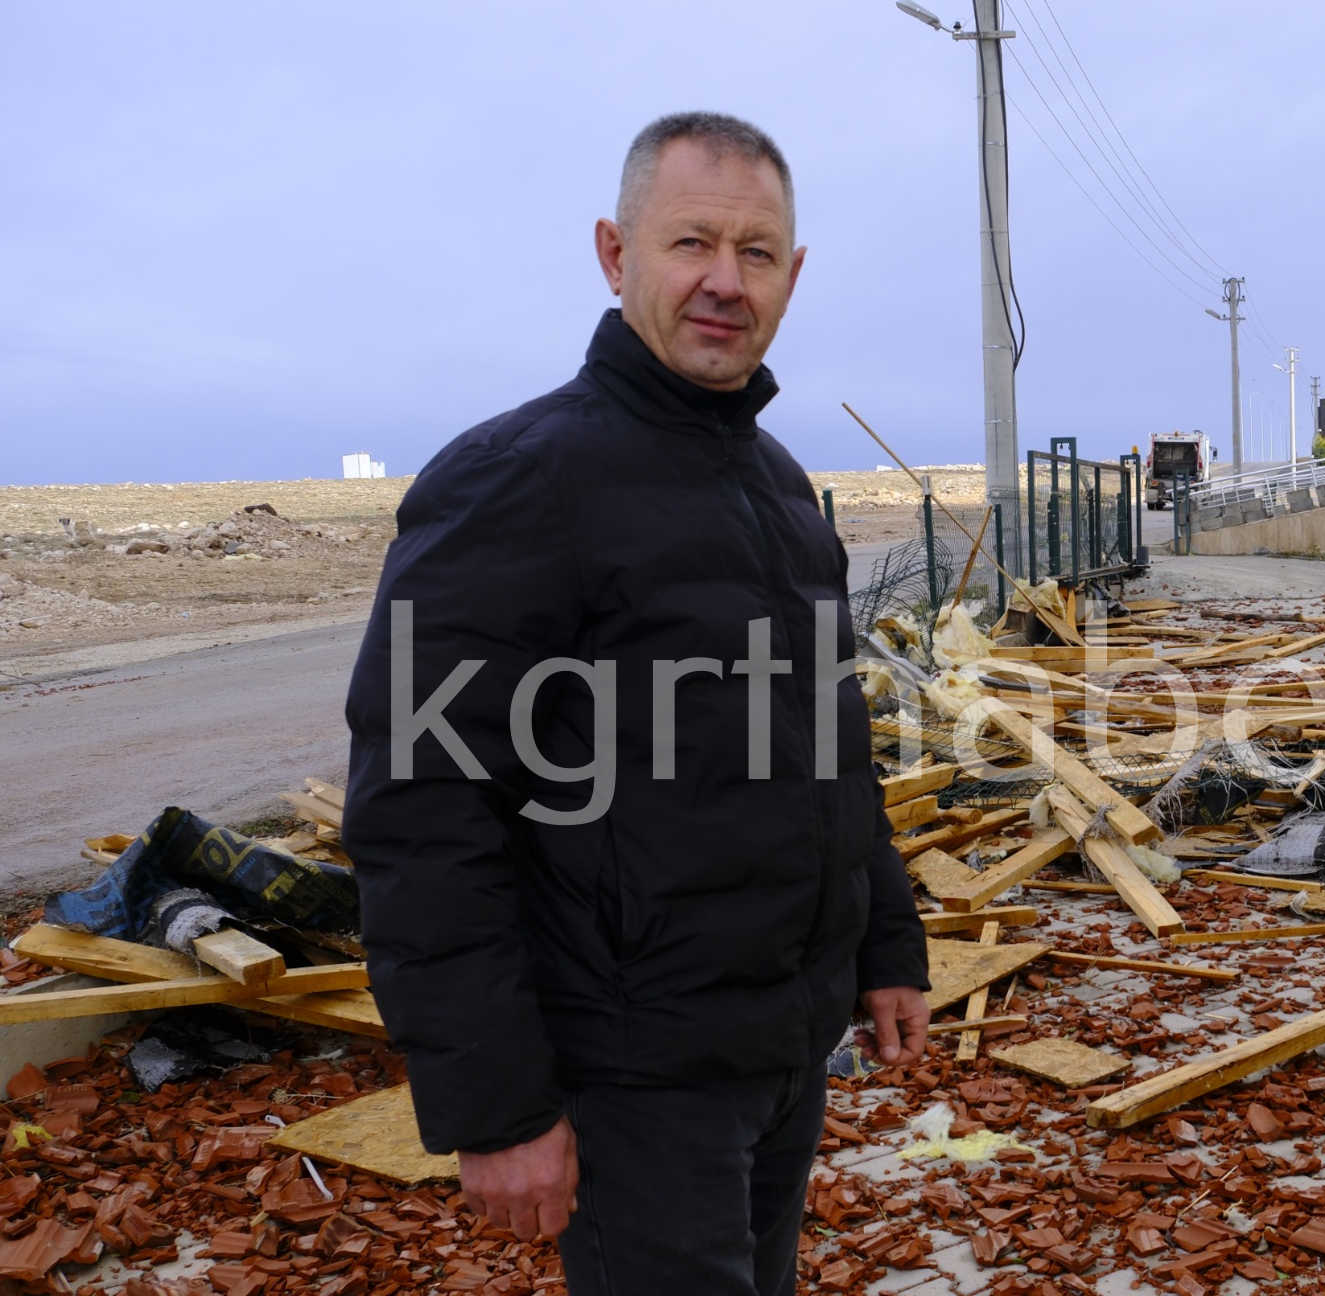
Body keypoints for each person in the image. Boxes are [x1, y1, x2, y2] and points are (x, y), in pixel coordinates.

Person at [341, 111, 929, 1296]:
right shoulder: (521, 480)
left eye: (758, 253)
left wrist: (884, 942)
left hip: (779, 1054)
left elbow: (831, 746)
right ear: (616, 256)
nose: (725, 280)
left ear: (794, 276)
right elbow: (421, 805)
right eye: (691, 243)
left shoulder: (774, 487)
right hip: (633, 1080)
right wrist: (497, 1108)